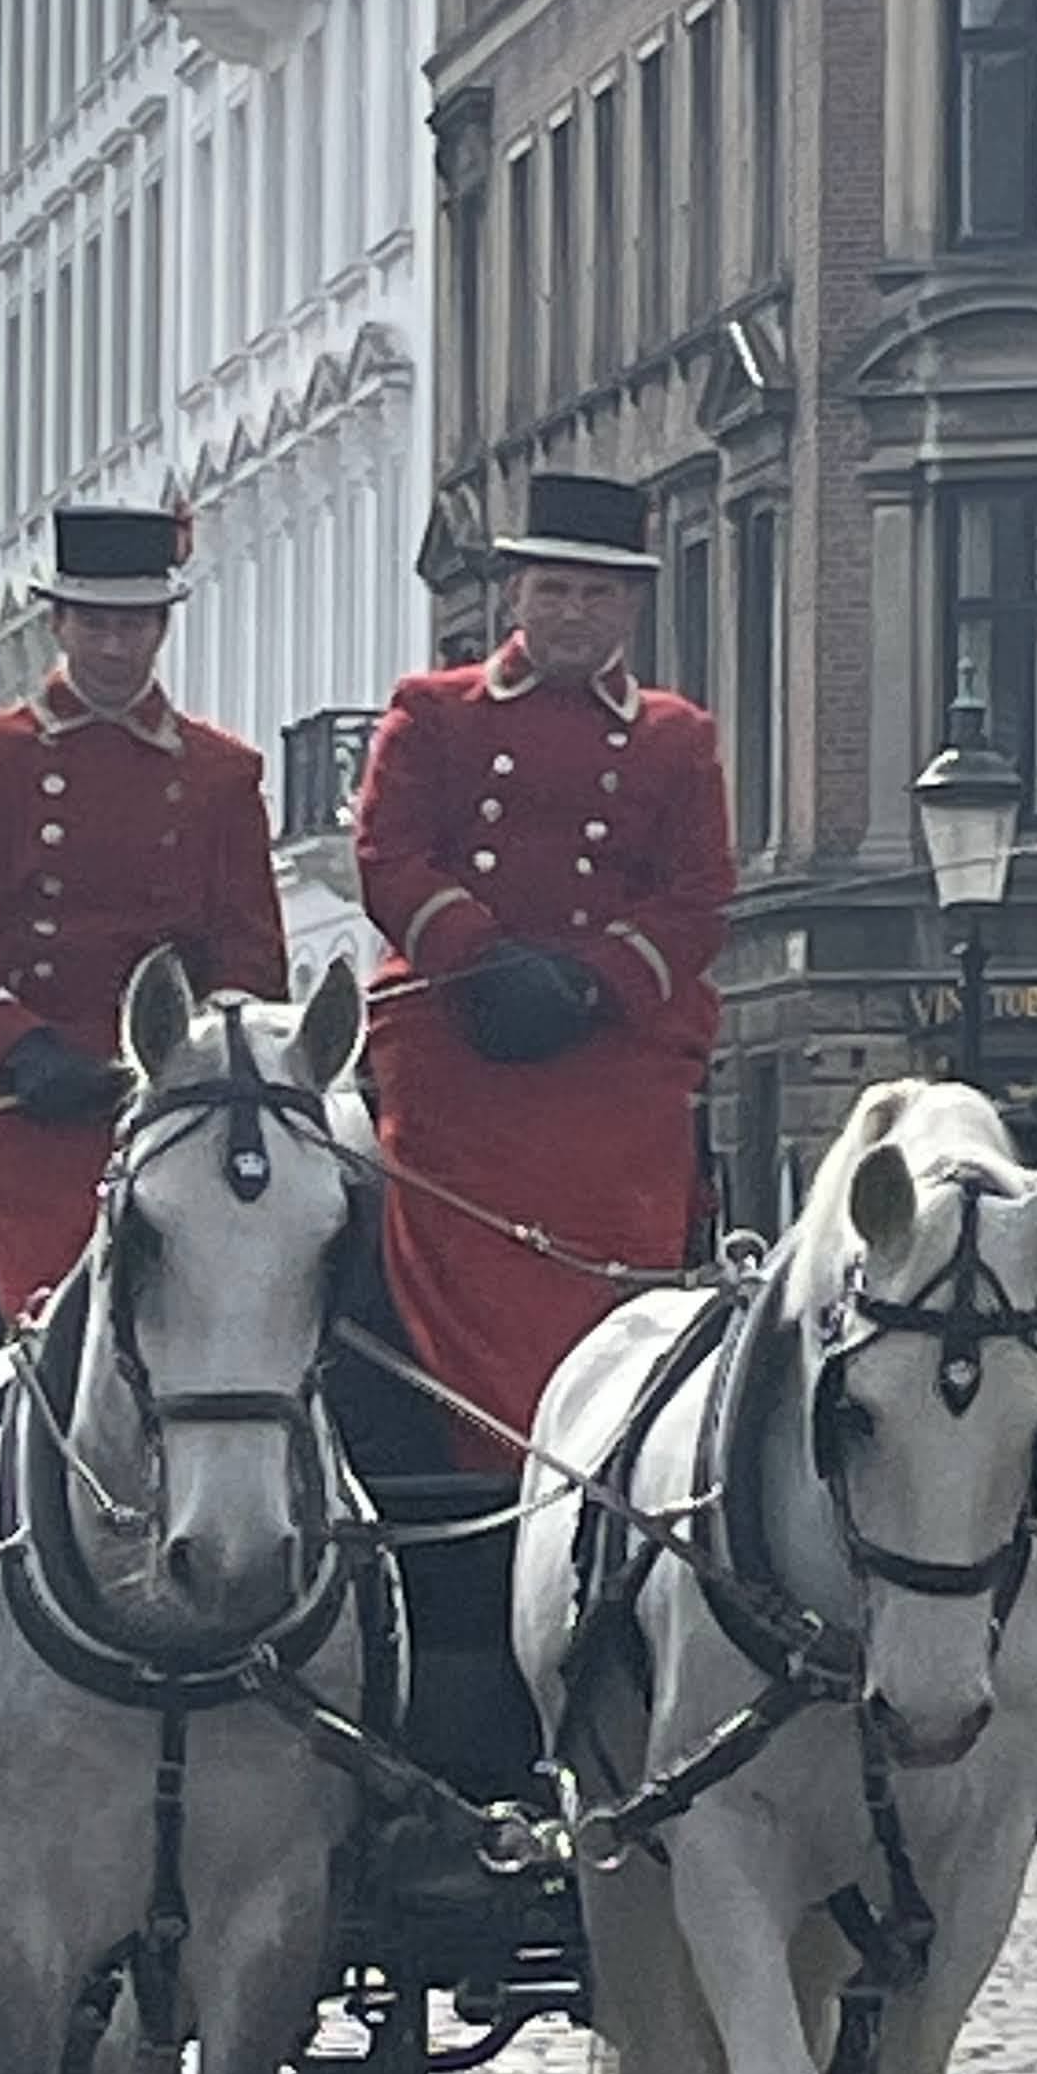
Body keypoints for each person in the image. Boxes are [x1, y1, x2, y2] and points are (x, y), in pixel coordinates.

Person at [354, 474, 734, 1468]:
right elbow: (388, 855)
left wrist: (594, 982)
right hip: (462, 1029)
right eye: (556, 590)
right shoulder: (435, 713)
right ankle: (474, 1457)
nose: (575, 614)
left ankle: (608, 1452)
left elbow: (698, 897)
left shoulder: (676, 738)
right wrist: (479, 959)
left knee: (624, 1237)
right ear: (516, 594)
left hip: (609, 1043)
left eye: (599, 595)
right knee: (453, 1241)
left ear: (632, 607)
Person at [0, 504, 290, 1323]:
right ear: (59, 625)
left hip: (171, 1101)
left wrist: (202, 1056)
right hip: (31, 1102)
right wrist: (14, 1047)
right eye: (97, 625)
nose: (114, 647)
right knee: (56, 1316)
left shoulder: (222, 774)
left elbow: (250, 954)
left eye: (134, 626)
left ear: (162, 629)